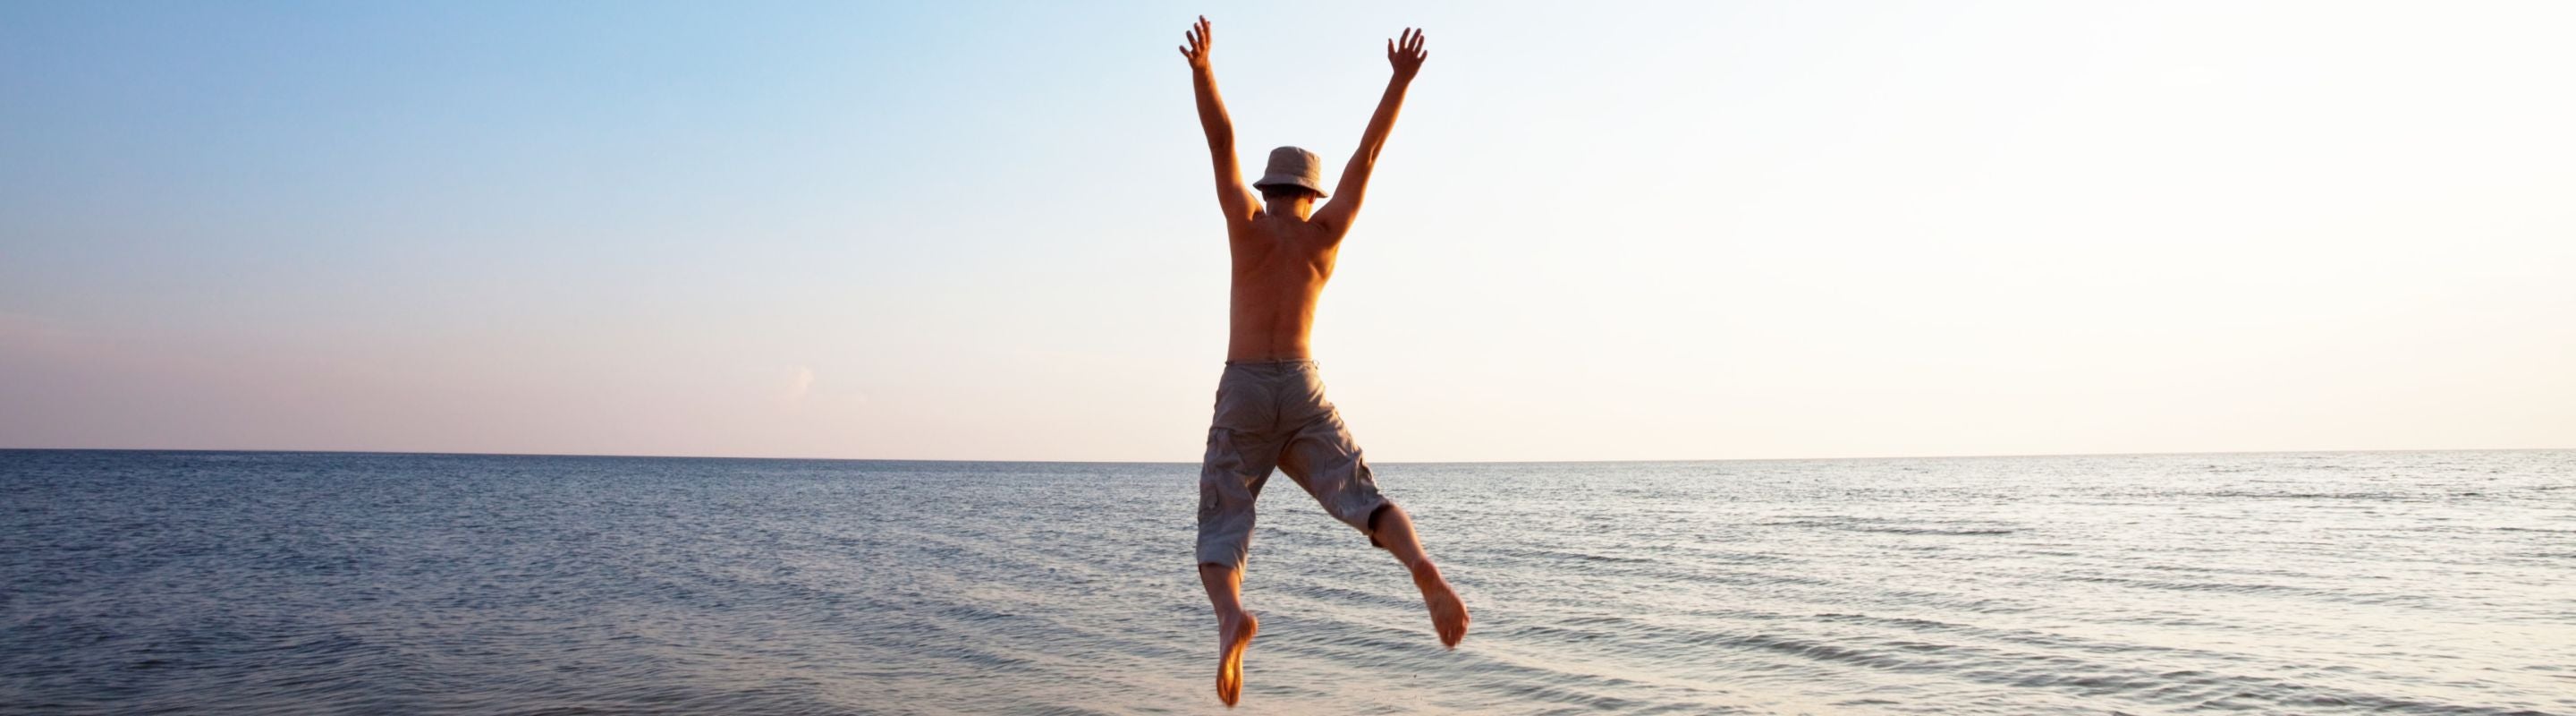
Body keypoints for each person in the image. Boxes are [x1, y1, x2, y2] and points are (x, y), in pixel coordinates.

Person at [1176, 15, 1469, 707]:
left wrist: (1204, 70)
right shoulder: (1327, 234)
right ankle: (1420, 565)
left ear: (1269, 189)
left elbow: (1221, 142)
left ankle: (1229, 619)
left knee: (1223, 518)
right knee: (1361, 496)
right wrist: (1398, 81)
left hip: (1245, 386)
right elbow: (1366, 156)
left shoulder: (1246, 225)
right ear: (1309, 197)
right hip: (1303, 385)